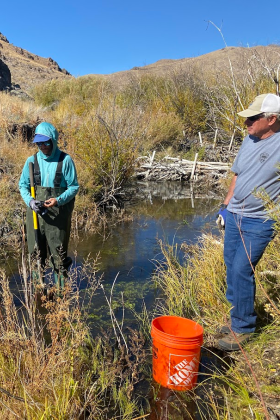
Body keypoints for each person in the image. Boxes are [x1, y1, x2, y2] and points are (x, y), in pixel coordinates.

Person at [216, 93, 280, 351]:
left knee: (242, 268)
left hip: (260, 221)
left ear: (272, 119)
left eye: (253, 118)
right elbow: (237, 174)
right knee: (231, 265)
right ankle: (236, 318)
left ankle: (243, 328)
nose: (247, 123)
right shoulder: (249, 139)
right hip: (235, 215)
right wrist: (225, 206)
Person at [19, 122, 79, 291]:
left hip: (57, 216)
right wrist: (31, 202)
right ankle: (40, 294)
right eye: (39, 143)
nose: (43, 146)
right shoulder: (31, 162)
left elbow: (74, 187)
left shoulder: (65, 160)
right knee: (36, 254)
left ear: (54, 140)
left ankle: (61, 296)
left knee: (59, 255)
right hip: (35, 216)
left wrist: (58, 200)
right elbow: (22, 185)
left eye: (46, 142)